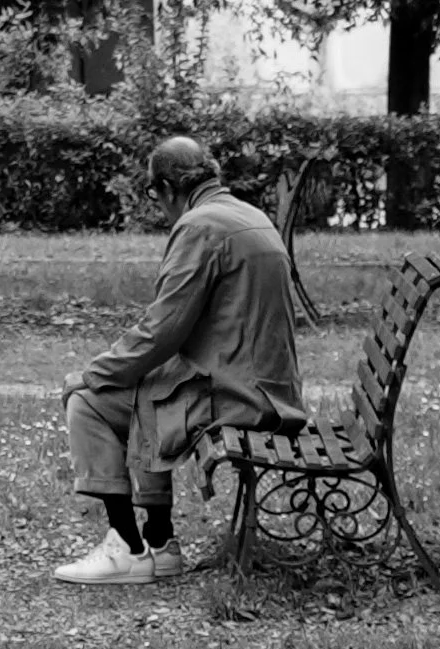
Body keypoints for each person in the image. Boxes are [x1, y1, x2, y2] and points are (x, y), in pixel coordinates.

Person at [53, 132, 306, 587]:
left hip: (241, 396)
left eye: (155, 195)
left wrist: (90, 374)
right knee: (151, 384)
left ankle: (129, 548)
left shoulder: (199, 228)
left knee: (90, 400)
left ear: (168, 188)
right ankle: (161, 541)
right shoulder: (245, 214)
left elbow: (162, 331)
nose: (160, 206)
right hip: (271, 388)